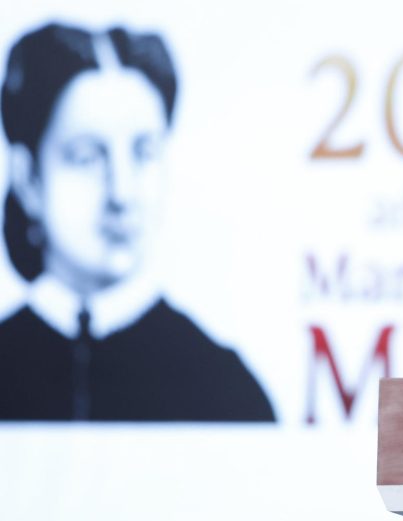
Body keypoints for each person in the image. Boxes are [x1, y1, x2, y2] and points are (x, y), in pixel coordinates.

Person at [0, 23, 274, 421]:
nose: (122, 194)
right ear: (28, 179)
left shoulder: (222, 387)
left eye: (143, 153)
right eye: (87, 158)